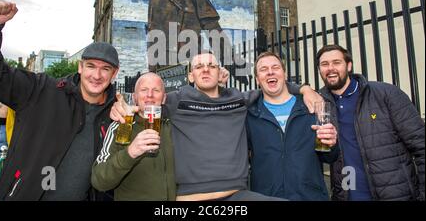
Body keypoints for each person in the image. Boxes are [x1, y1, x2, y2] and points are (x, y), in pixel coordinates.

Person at [111, 52, 321, 200]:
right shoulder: (175, 100)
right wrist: (119, 109)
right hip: (189, 196)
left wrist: (304, 89)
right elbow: (144, 102)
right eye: (199, 67)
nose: (205, 70)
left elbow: (272, 85)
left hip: (236, 194)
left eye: (211, 66)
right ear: (191, 76)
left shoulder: (238, 98)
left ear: (220, 73)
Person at [0, 0, 120, 200]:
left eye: (105, 69)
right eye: (91, 66)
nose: (96, 76)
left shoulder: (116, 114)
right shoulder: (41, 90)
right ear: (80, 66)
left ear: (115, 73)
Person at [317, 44, 425, 201]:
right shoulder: (320, 104)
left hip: (395, 195)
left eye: (337, 62)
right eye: (324, 64)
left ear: (349, 65)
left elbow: (421, 146)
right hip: (347, 194)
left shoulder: (385, 94)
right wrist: (304, 89)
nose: (330, 68)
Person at [246, 52, 339, 200]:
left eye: (275, 67)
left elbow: (329, 156)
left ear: (285, 74)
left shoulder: (311, 107)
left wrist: (332, 143)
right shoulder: (250, 115)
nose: (270, 71)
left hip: (310, 196)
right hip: (267, 197)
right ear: (258, 79)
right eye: (263, 69)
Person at [91, 72, 176, 200]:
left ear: (164, 98)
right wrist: (130, 153)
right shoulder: (122, 126)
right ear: (135, 97)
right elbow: (99, 181)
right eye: (144, 90)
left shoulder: (173, 126)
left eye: (156, 90)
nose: (149, 95)